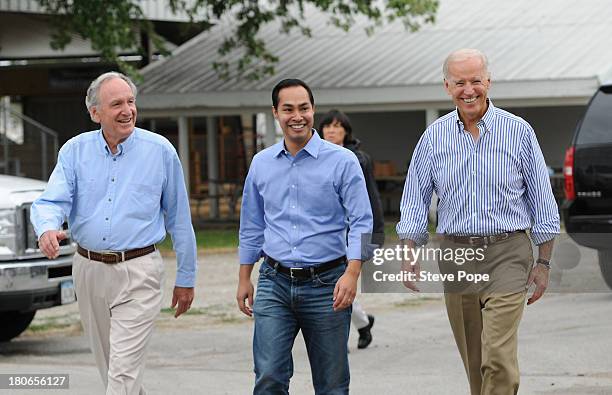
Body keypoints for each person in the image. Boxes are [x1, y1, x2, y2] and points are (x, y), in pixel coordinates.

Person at [397, 49, 559, 395]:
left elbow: (543, 202)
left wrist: (543, 262)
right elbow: (415, 197)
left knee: (497, 357)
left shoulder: (518, 132)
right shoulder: (434, 138)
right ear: (447, 86)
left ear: (488, 81)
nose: (468, 90)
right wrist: (409, 252)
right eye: (459, 83)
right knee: (475, 361)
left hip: (508, 252)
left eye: (475, 81)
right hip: (456, 254)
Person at [30, 72, 197, 395]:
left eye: (131, 102)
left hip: (139, 272)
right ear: (95, 113)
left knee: (121, 373)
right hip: (88, 270)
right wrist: (47, 228)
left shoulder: (160, 151)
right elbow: (52, 200)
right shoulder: (74, 151)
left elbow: (179, 218)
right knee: (114, 370)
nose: (127, 110)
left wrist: (186, 277)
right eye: (116, 103)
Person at [236, 79, 373, 394]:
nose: (297, 116)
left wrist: (353, 273)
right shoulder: (261, 164)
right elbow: (251, 224)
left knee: (331, 384)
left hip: (328, 284)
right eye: (288, 109)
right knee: (269, 376)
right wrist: (245, 276)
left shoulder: (343, 162)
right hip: (274, 282)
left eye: (304, 108)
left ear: (313, 110)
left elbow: (363, 223)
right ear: (275, 113)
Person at [319, 109, 383, 349]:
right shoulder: (314, 157)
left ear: (346, 132)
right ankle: (363, 323)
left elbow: (371, 199)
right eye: (328, 126)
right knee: (335, 285)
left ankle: (344, 335)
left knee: (338, 284)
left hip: (352, 234)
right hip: (327, 234)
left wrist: (373, 236)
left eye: (338, 126)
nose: (332, 130)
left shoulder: (358, 159)